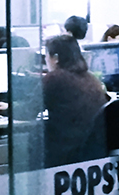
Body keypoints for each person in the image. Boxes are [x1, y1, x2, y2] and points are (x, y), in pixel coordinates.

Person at [41, 34, 111, 166]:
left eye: (46, 56)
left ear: (56, 58)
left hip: (66, 153)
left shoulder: (55, 78)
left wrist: (7, 107)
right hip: (93, 153)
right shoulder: (91, 79)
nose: (46, 60)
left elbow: (28, 110)